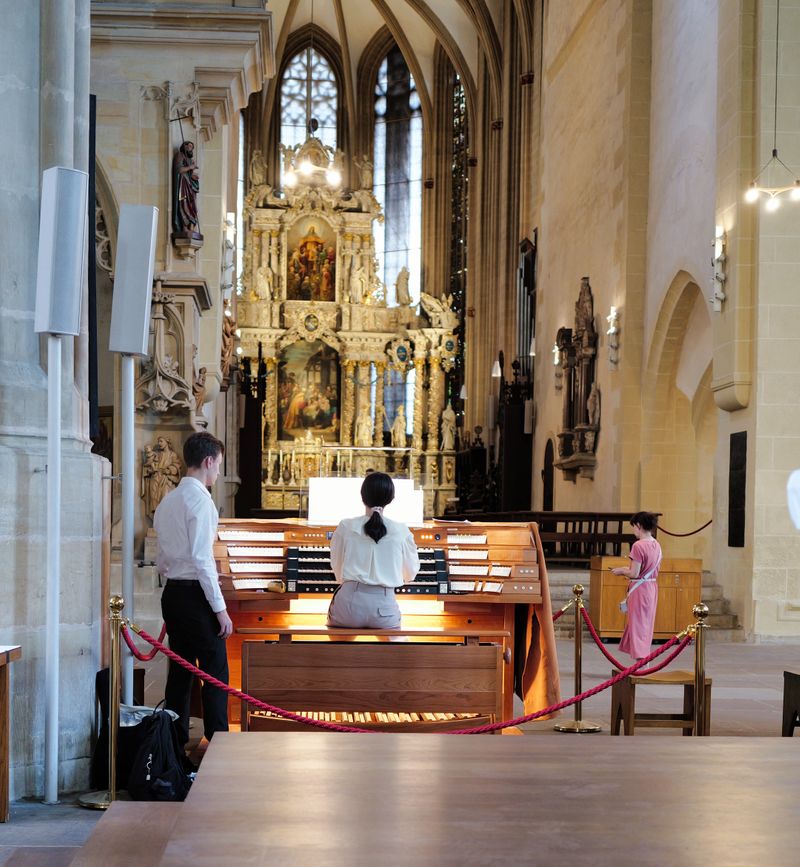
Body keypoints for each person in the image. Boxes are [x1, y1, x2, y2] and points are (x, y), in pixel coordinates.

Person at [154, 432, 232, 752]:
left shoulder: (168, 500)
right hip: (195, 596)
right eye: (218, 465)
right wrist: (220, 609)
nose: (218, 473)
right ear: (208, 461)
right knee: (215, 671)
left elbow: (161, 559)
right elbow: (202, 559)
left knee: (180, 671)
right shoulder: (201, 501)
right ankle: (219, 745)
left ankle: (173, 747)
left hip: (173, 594)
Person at [327, 473, 420, 629]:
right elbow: (410, 573)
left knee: (338, 638)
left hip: (348, 608)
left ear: (362, 496)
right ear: (391, 498)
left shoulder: (345, 526)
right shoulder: (401, 530)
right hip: (385, 610)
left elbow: (337, 567)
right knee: (396, 640)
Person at [611, 511, 662, 661]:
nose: (633, 529)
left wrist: (621, 571)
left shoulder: (638, 546)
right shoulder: (656, 544)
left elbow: (634, 573)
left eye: (634, 526)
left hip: (640, 589)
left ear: (639, 525)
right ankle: (642, 662)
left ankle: (642, 663)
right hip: (651, 587)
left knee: (638, 625)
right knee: (646, 625)